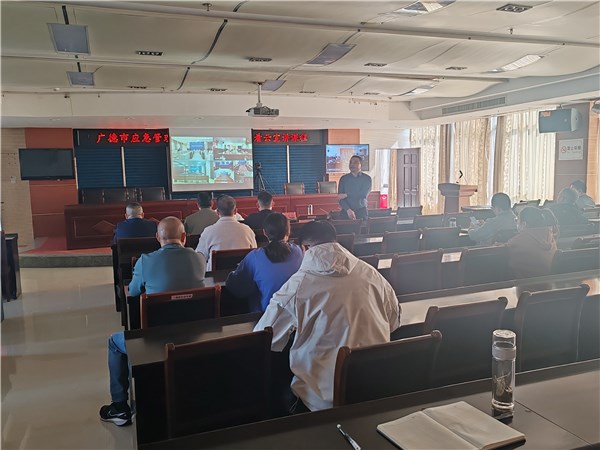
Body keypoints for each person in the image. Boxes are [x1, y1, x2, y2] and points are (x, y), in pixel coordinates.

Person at [254, 220, 400, 412]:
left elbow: (263, 339)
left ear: (305, 248)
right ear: (335, 241)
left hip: (320, 403)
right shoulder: (372, 275)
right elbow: (394, 322)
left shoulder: (296, 287)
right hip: (377, 392)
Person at [100, 217, 206, 426]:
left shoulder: (145, 261)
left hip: (155, 341)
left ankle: (120, 407)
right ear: (184, 237)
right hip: (194, 336)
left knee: (114, 342)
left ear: (157, 237)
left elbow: (133, 292)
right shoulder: (199, 258)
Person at [226, 212, 303, 312]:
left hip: (265, 315)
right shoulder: (298, 251)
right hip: (295, 312)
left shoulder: (254, 256)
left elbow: (237, 286)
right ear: (288, 232)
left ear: (265, 232)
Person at [196, 195, 257, 271]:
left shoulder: (208, 231)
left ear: (217, 212)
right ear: (235, 211)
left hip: (215, 277)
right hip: (243, 275)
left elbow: (199, 258)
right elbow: (254, 256)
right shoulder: (248, 230)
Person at [507, 207, 557, 278]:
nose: (516, 223)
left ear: (524, 224)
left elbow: (507, 249)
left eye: (517, 220)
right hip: (548, 280)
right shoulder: (550, 236)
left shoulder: (518, 240)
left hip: (525, 282)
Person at [338, 155, 372, 220]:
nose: (352, 164)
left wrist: (347, 195)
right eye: (350, 162)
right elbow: (340, 197)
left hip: (361, 211)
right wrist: (348, 210)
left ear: (361, 165)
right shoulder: (343, 178)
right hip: (346, 211)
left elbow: (363, 194)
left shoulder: (367, 178)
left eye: (355, 162)